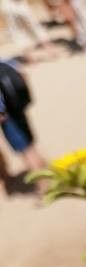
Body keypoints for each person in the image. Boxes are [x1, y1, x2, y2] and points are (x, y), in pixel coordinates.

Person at [0, 58, 45, 192]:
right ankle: (46, 173)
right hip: (18, 109)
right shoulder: (5, 61)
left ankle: (43, 186)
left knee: (26, 152)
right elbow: (23, 75)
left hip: (7, 117)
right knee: (31, 147)